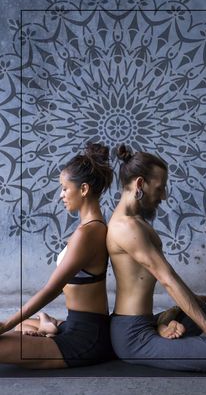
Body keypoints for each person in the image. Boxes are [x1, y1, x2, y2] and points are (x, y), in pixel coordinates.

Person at [107, 144, 206, 372]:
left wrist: (192, 299)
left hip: (143, 321)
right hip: (132, 335)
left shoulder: (136, 221)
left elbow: (169, 273)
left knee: (201, 308)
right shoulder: (125, 227)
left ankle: (162, 325)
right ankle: (163, 329)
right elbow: (166, 279)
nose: (163, 196)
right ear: (139, 184)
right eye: (160, 188)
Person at [0, 142, 114, 369]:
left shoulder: (88, 233)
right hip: (76, 324)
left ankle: (47, 326)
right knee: (25, 327)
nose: (61, 195)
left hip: (85, 340)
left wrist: (4, 324)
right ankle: (47, 324)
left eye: (64, 188)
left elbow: (51, 289)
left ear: (83, 189)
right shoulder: (92, 227)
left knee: (10, 332)